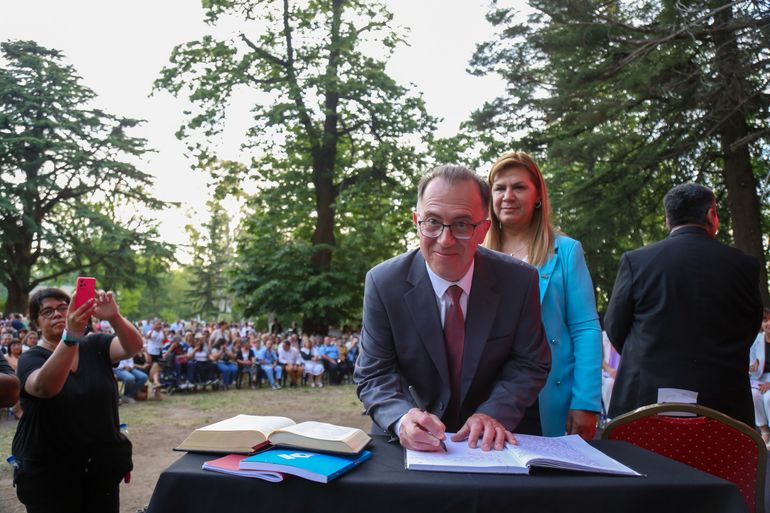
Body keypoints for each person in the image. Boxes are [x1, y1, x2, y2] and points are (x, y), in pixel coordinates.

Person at [354, 164, 551, 452]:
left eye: (461, 224)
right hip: (407, 444)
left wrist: (493, 414)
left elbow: (530, 363)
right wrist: (401, 418)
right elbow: (374, 373)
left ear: (483, 229)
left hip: (495, 442)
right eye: (432, 221)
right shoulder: (384, 283)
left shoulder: (519, 281)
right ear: (416, 221)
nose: (445, 240)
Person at [605, 183, 762, 426]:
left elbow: (615, 327)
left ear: (668, 219)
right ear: (711, 214)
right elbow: (750, 326)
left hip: (644, 399)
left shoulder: (637, 262)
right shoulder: (745, 266)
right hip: (724, 402)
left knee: (641, 464)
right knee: (717, 463)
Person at [482, 151, 601, 439]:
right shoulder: (474, 255)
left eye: (519, 187)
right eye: (500, 188)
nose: (508, 195)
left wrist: (586, 402)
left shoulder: (566, 251)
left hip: (545, 396)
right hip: (484, 399)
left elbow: (585, 328)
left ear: (538, 196)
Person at [12, 286, 143, 513]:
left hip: (100, 469)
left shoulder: (95, 345)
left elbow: (133, 347)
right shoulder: (31, 358)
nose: (58, 314)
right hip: (51, 476)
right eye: (48, 312)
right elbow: (45, 387)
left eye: (64, 308)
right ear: (35, 323)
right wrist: (70, 336)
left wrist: (114, 316)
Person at [749, 309, 770, 444]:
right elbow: (750, 367)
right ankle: (764, 431)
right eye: (765, 320)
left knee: (769, 397)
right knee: (754, 395)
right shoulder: (756, 340)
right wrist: (751, 367)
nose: (769, 323)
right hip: (759, 379)